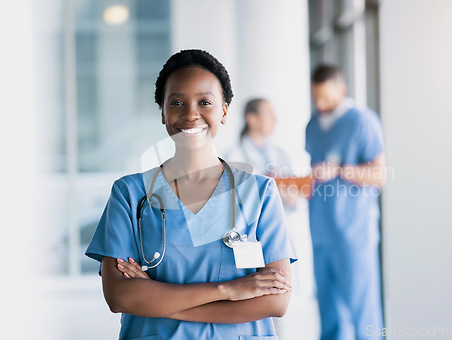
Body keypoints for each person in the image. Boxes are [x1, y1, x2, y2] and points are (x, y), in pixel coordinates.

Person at [85, 49, 297, 340]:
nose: (190, 114)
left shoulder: (260, 193)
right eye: (176, 102)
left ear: (224, 111)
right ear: (162, 112)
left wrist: (160, 302)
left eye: (205, 102)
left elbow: (276, 301)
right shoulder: (130, 194)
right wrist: (228, 291)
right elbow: (120, 296)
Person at [306, 65, 386, 340]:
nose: (319, 104)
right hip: (320, 232)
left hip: (353, 235)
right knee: (330, 319)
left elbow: (379, 175)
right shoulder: (313, 125)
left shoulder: (363, 122)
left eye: (326, 98)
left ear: (342, 90)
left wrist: (339, 171)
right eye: (315, 97)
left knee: (364, 318)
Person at [225, 98, 297, 208]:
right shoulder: (234, 156)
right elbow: (231, 199)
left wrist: (290, 195)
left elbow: (293, 198)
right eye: (269, 114)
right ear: (252, 119)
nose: (275, 119)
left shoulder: (280, 155)